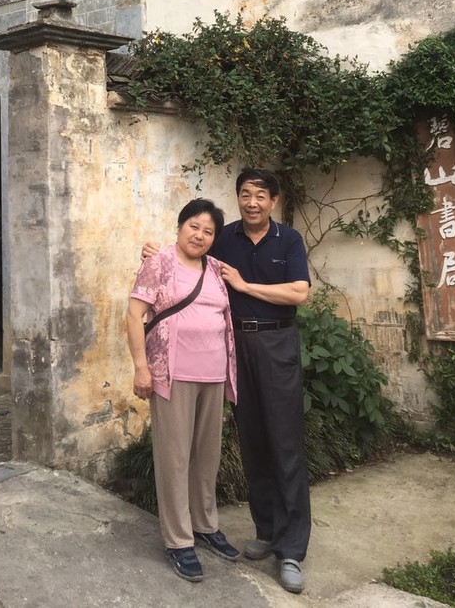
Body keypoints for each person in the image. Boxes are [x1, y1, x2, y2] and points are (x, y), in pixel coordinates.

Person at [143, 169, 311, 594]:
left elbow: (299, 293)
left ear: (274, 201)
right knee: (252, 441)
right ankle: (266, 531)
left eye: (260, 195)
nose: (252, 202)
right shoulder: (225, 238)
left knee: (285, 443)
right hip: (233, 348)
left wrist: (244, 285)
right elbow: (188, 251)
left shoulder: (288, 240)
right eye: (245, 194)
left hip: (276, 344)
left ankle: (291, 549)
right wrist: (153, 251)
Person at [127, 198, 239, 583]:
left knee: (206, 455)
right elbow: (134, 315)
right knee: (174, 457)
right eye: (194, 226)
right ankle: (178, 540)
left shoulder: (216, 269)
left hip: (214, 374)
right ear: (179, 227)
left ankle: (205, 525)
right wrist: (141, 367)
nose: (200, 235)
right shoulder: (159, 262)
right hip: (173, 374)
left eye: (208, 231)